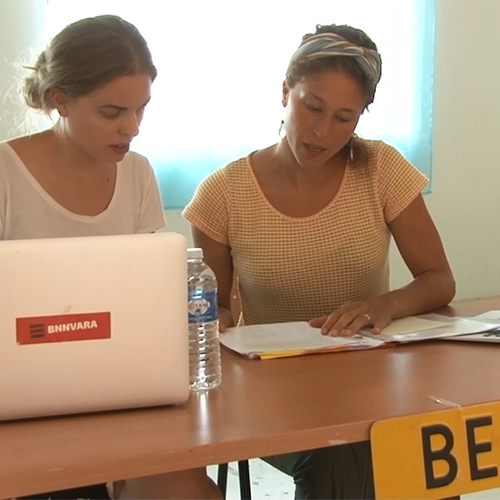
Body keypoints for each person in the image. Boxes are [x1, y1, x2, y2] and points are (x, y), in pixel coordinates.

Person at [183, 23, 456, 499]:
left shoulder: (381, 169)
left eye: (344, 118)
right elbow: (214, 315)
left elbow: (439, 280)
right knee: (341, 458)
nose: (321, 131)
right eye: (312, 107)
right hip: (274, 389)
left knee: (424, 447)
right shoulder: (222, 193)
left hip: (370, 379)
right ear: (285, 90)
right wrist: (210, 325)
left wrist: (382, 306)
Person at [1, 14, 221, 500]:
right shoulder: (5, 175)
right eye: (112, 112)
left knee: (192, 494)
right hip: (22, 411)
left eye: (142, 109)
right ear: (60, 99)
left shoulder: (138, 174)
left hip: (125, 400)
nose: (132, 127)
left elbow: (150, 303)